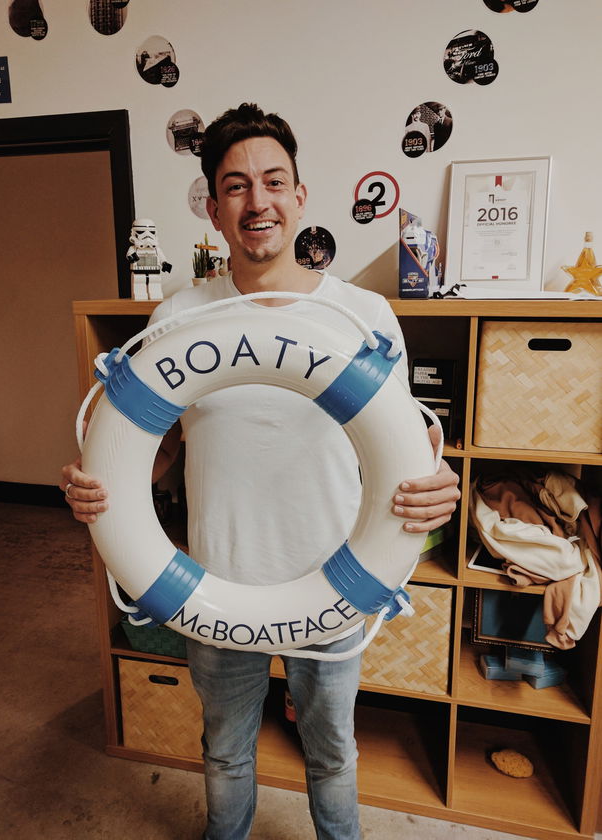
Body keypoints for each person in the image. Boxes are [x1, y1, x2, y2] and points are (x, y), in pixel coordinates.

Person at [61, 103, 460, 840]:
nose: (258, 201)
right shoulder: (179, 317)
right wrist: (106, 485)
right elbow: (164, 451)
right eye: (236, 186)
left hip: (338, 582)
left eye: (273, 181)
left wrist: (442, 485)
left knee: (333, 752)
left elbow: (410, 452)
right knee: (224, 752)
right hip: (215, 586)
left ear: (300, 197)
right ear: (213, 208)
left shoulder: (364, 316)